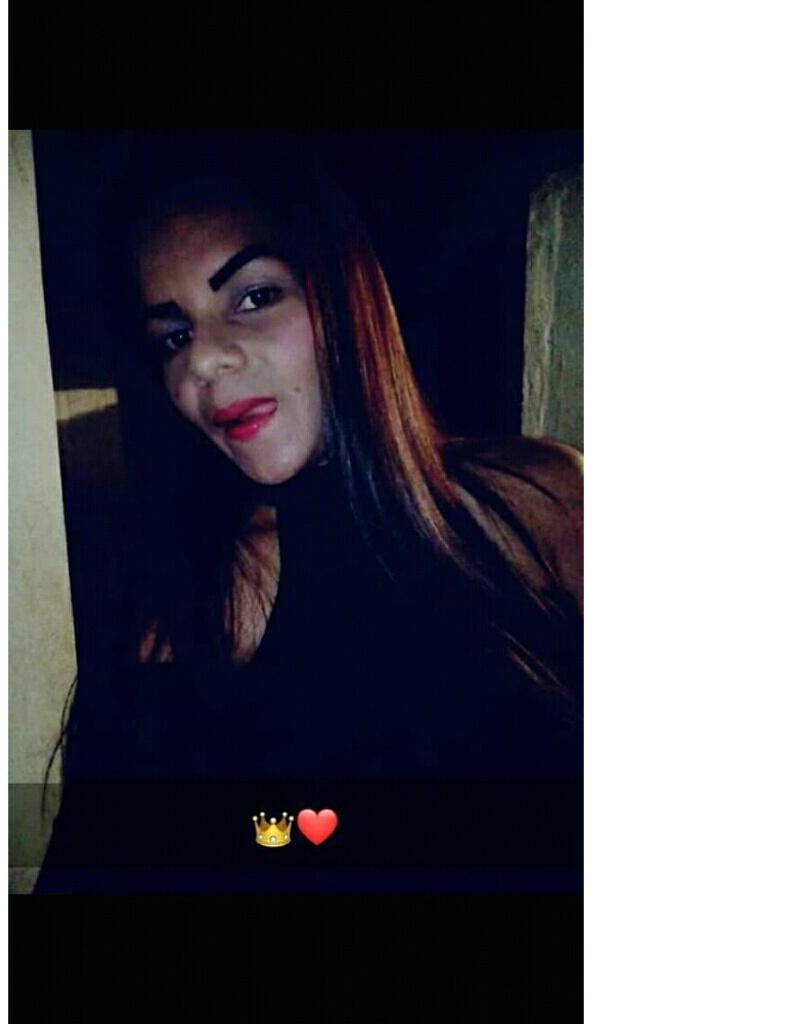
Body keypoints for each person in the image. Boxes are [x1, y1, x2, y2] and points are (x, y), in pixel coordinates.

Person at [34, 140, 583, 893]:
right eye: (174, 337)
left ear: (345, 294)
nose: (204, 361)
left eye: (254, 297)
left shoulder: (539, 503)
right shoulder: (184, 600)